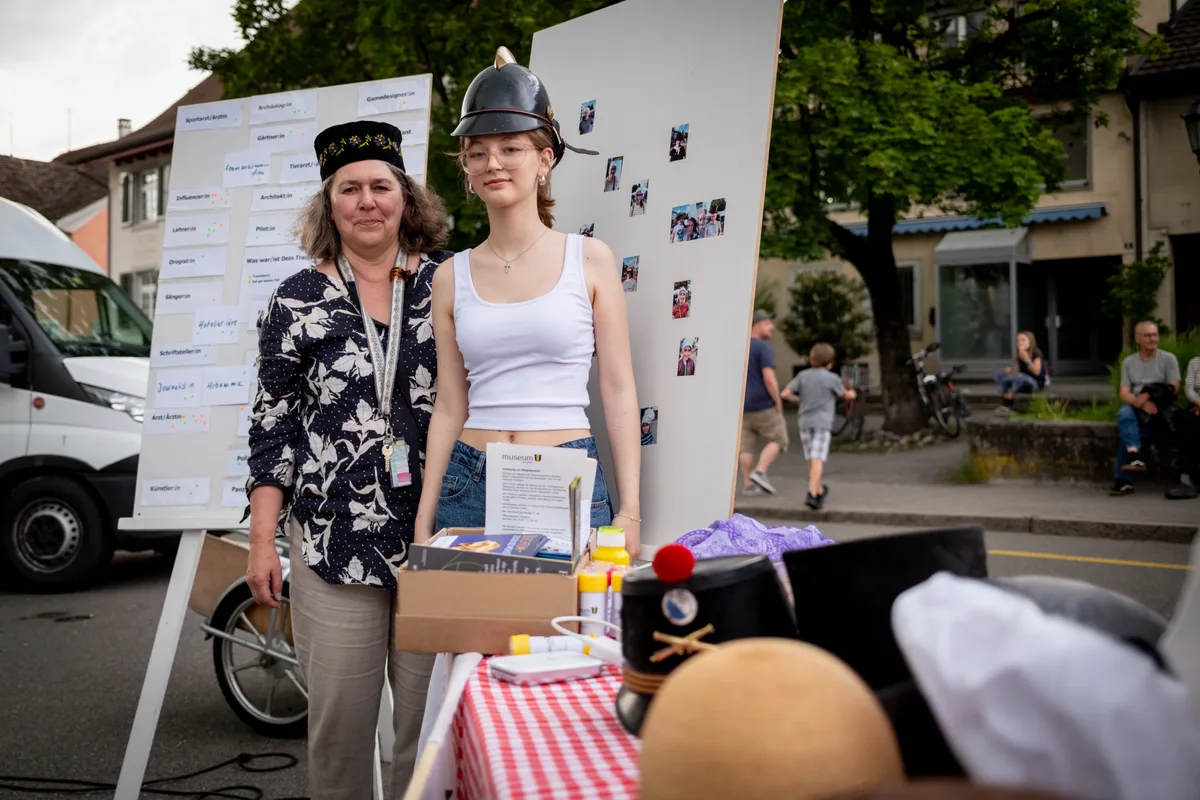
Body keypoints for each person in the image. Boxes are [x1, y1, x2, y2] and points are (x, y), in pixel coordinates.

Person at [244, 120, 452, 799]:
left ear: (406, 199)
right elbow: (272, 431)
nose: (367, 201)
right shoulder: (295, 301)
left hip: (436, 540)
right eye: (350, 188)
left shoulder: (450, 287)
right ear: (328, 204)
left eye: (381, 186)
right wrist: (262, 542)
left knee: (427, 735)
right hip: (334, 544)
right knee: (338, 732)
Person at [414, 47, 641, 558]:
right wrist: (425, 513)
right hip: (468, 485)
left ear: (544, 160)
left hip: (562, 480)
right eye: (477, 152)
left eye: (511, 148)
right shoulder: (450, 277)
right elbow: (450, 404)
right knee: (469, 638)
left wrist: (630, 510)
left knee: (564, 635)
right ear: (467, 170)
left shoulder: (590, 259)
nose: (492, 162)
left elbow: (619, 388)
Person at [781, 342, 855, 509]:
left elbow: (785, 393)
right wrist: (852, 394)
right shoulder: (832, 378)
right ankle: (812, 493)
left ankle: (819, 489)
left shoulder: (803, 376)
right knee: (818, 458)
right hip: (822, 422)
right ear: (830, 362)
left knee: (811, 459)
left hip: (804, 421)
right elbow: (845, 395)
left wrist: (799, 400)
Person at [1110, 321, 1180, 496]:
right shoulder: (1129, 362)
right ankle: (1133, 458)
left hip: (1161, 410)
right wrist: (1141, 402)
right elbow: (1124, 394)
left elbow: (1174, 388)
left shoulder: (1168, 359)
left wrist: (1148, 396)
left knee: (1128, 434)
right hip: (1137, 408)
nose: (1152, 339)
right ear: (1138, 339)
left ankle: (1124, 479)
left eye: (1155, 335)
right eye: (1148, 335)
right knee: (1124, 413)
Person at [739, 310, 787, 496]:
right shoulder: (762, 347)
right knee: (779, 438)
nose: (772, 327)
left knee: (746, 446)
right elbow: (769, 378)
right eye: (768, 323)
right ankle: (760, 471)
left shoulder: (741, 346)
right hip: (763, 404)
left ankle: (749, 484)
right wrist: (777, 401)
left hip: (744, 406)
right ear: (757, 326)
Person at [1165, 355, 1200, 500]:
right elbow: (1189, 389)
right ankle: (1187, 481)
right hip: (1197, 406)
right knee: (1187, 430)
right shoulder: (1195, 362)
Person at [994, 330, 1046, 414]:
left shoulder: (1036, 353)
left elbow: (1037, 372)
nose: (1019, 342)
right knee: (1000, 375)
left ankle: (1008, 403)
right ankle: (1006, 399)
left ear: (1030, 341)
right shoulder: (1019, 355)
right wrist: (1009, 371)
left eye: (1023, 340)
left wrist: (1027, 359)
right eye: (1017, 341)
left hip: (1035, 383)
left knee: (1021, 377)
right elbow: (1016, 373)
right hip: (1021, 381)